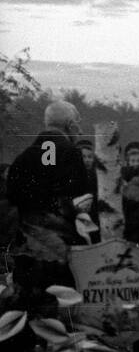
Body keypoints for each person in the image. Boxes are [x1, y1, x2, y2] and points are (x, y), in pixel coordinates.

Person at [5, 100, 93, 252]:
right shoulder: (70, 153)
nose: (80, 132)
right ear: (70, 124)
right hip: (62, 244)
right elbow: (80, 198)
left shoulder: (23, 157)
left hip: (28, 243)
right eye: (78, 124)